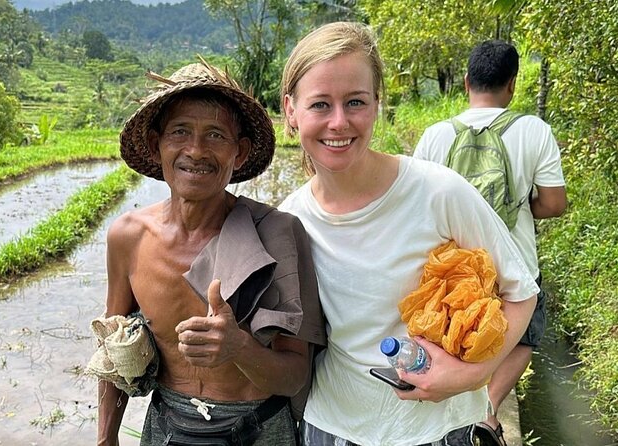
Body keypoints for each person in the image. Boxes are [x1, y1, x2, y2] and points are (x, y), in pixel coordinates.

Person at [278, 22, 539, 446]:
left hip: (434, 428)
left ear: (378, 103)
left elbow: (522, 291)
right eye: (320, 104)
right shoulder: (289, 220)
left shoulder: (437, 191)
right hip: (331, 425)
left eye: (356, 102)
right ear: (291, 110)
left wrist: (469, 375)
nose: (339, 122)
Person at [96, 60, 325, 446]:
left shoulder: (277, 234)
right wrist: (106, 438)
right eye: (180, 131)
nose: (196, 150)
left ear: (239, 153)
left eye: (216, 135)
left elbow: (294, 375)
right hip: (166, 425)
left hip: (258, 427)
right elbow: (113, 349)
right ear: (156, 145)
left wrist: (239, 348)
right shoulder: (128, 236)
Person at [413, 40, 566, 445]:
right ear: (512, 85)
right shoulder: (534, 130)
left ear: (466, 82)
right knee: (524, 336)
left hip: (454, 266)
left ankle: (448, 414)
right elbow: (553, 203)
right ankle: (488, 409)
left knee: (453, 336)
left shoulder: (435, 135)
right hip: (515, 265)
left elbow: (417, 210)